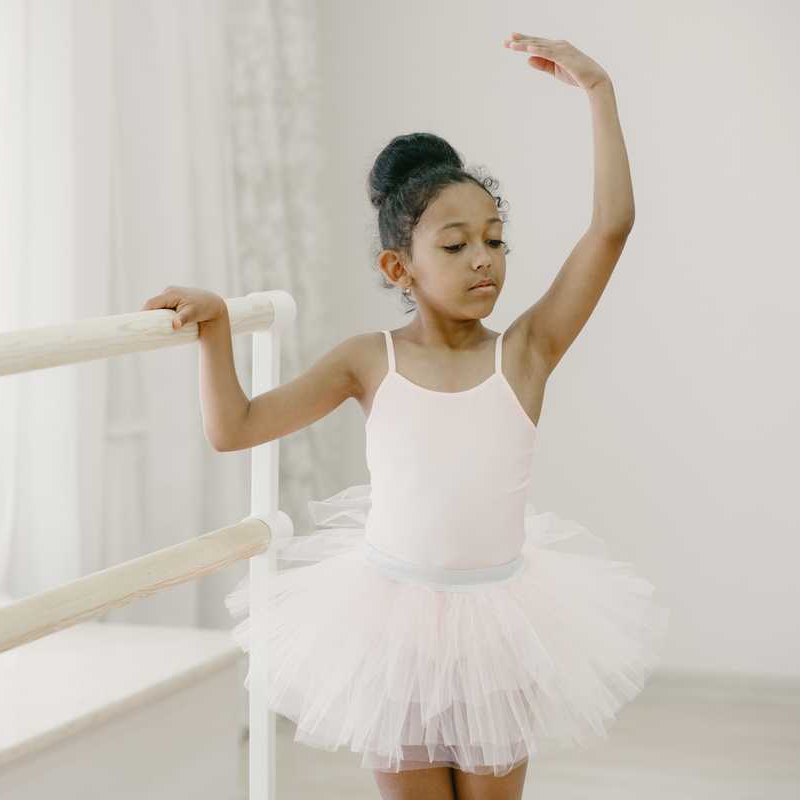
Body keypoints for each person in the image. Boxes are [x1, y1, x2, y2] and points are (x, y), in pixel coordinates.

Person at [143, 32, 668, 800]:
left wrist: (599, 90)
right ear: (401, 268)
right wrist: (217, 328)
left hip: (501, 623)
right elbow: (236, 428)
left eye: (494, 239)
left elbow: (611, 227)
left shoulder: (524, 354)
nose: (483, 259)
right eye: (455, 246)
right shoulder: (367, 360)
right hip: (391, 626)